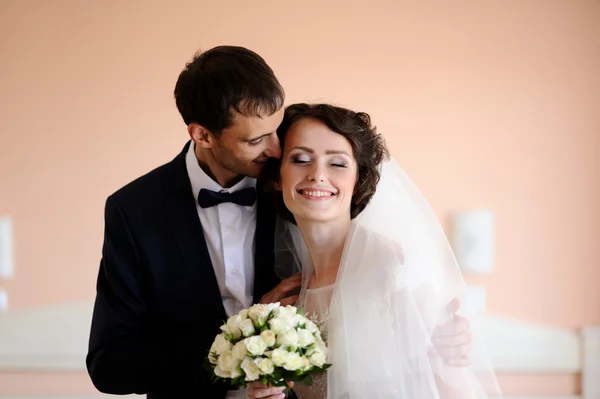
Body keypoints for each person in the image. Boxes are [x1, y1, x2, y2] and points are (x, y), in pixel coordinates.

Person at [86, 46, 474, 399]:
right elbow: (109, 365)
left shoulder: (294, 186)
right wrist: (243, 344)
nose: (276, 148)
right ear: (202, 134)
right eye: (258, 139)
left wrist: (438, 343)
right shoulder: (134, 210)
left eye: (278, 130)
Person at [248, 103, 502, 399]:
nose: (317, 174)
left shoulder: (394, 271)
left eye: (338, 163)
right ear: (278, 177)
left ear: (359, 180)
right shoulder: (289, 289)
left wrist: (446, 353)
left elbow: (453, 385)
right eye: (301, 159)